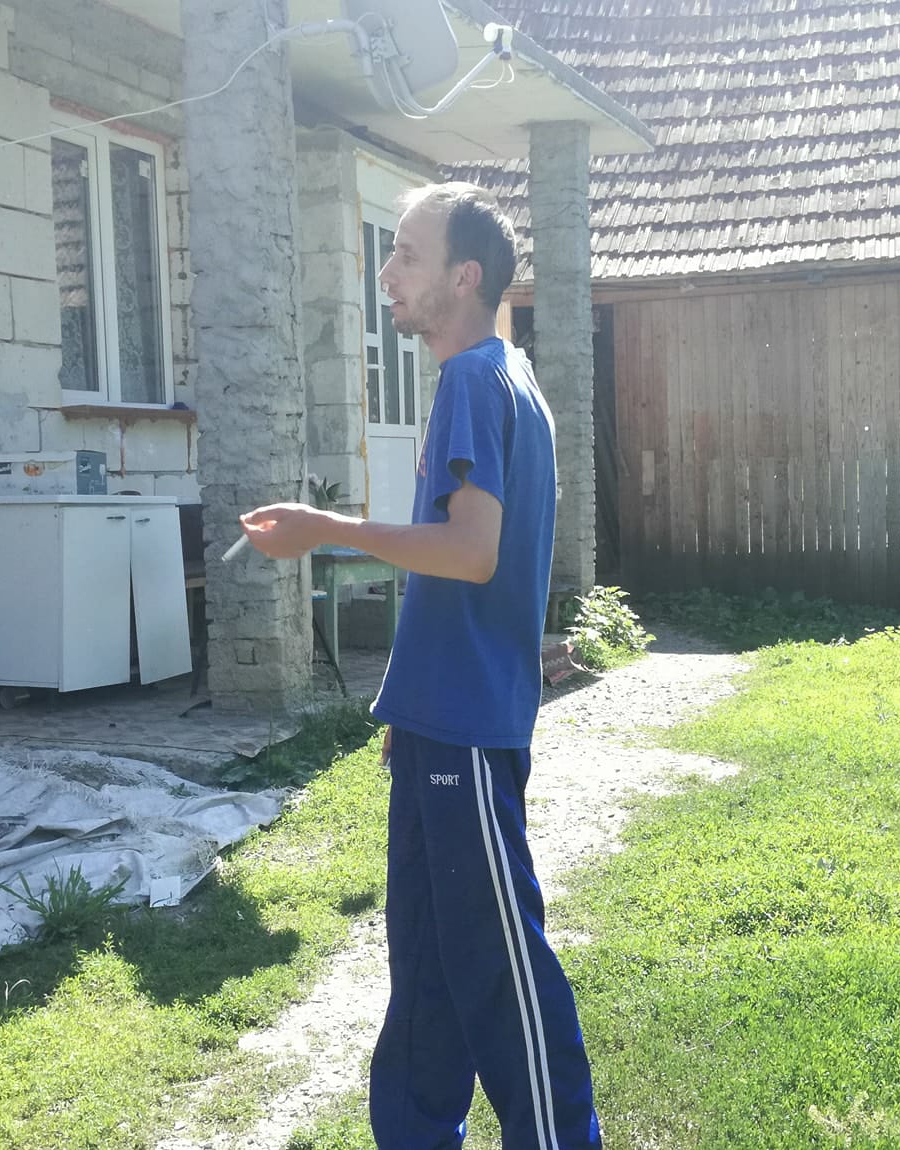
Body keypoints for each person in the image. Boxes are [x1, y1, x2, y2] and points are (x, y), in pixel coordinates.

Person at [238, 182, 600, 1150]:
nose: (386, 273)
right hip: (441, 721)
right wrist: (416, 701)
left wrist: (326, 529)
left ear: (463, 276)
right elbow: (481, 573)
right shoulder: (501, 375)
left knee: (499, 970)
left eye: (405, 253)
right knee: (429, 971)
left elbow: (471, 552)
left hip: (468, 732)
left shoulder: (475, 382)